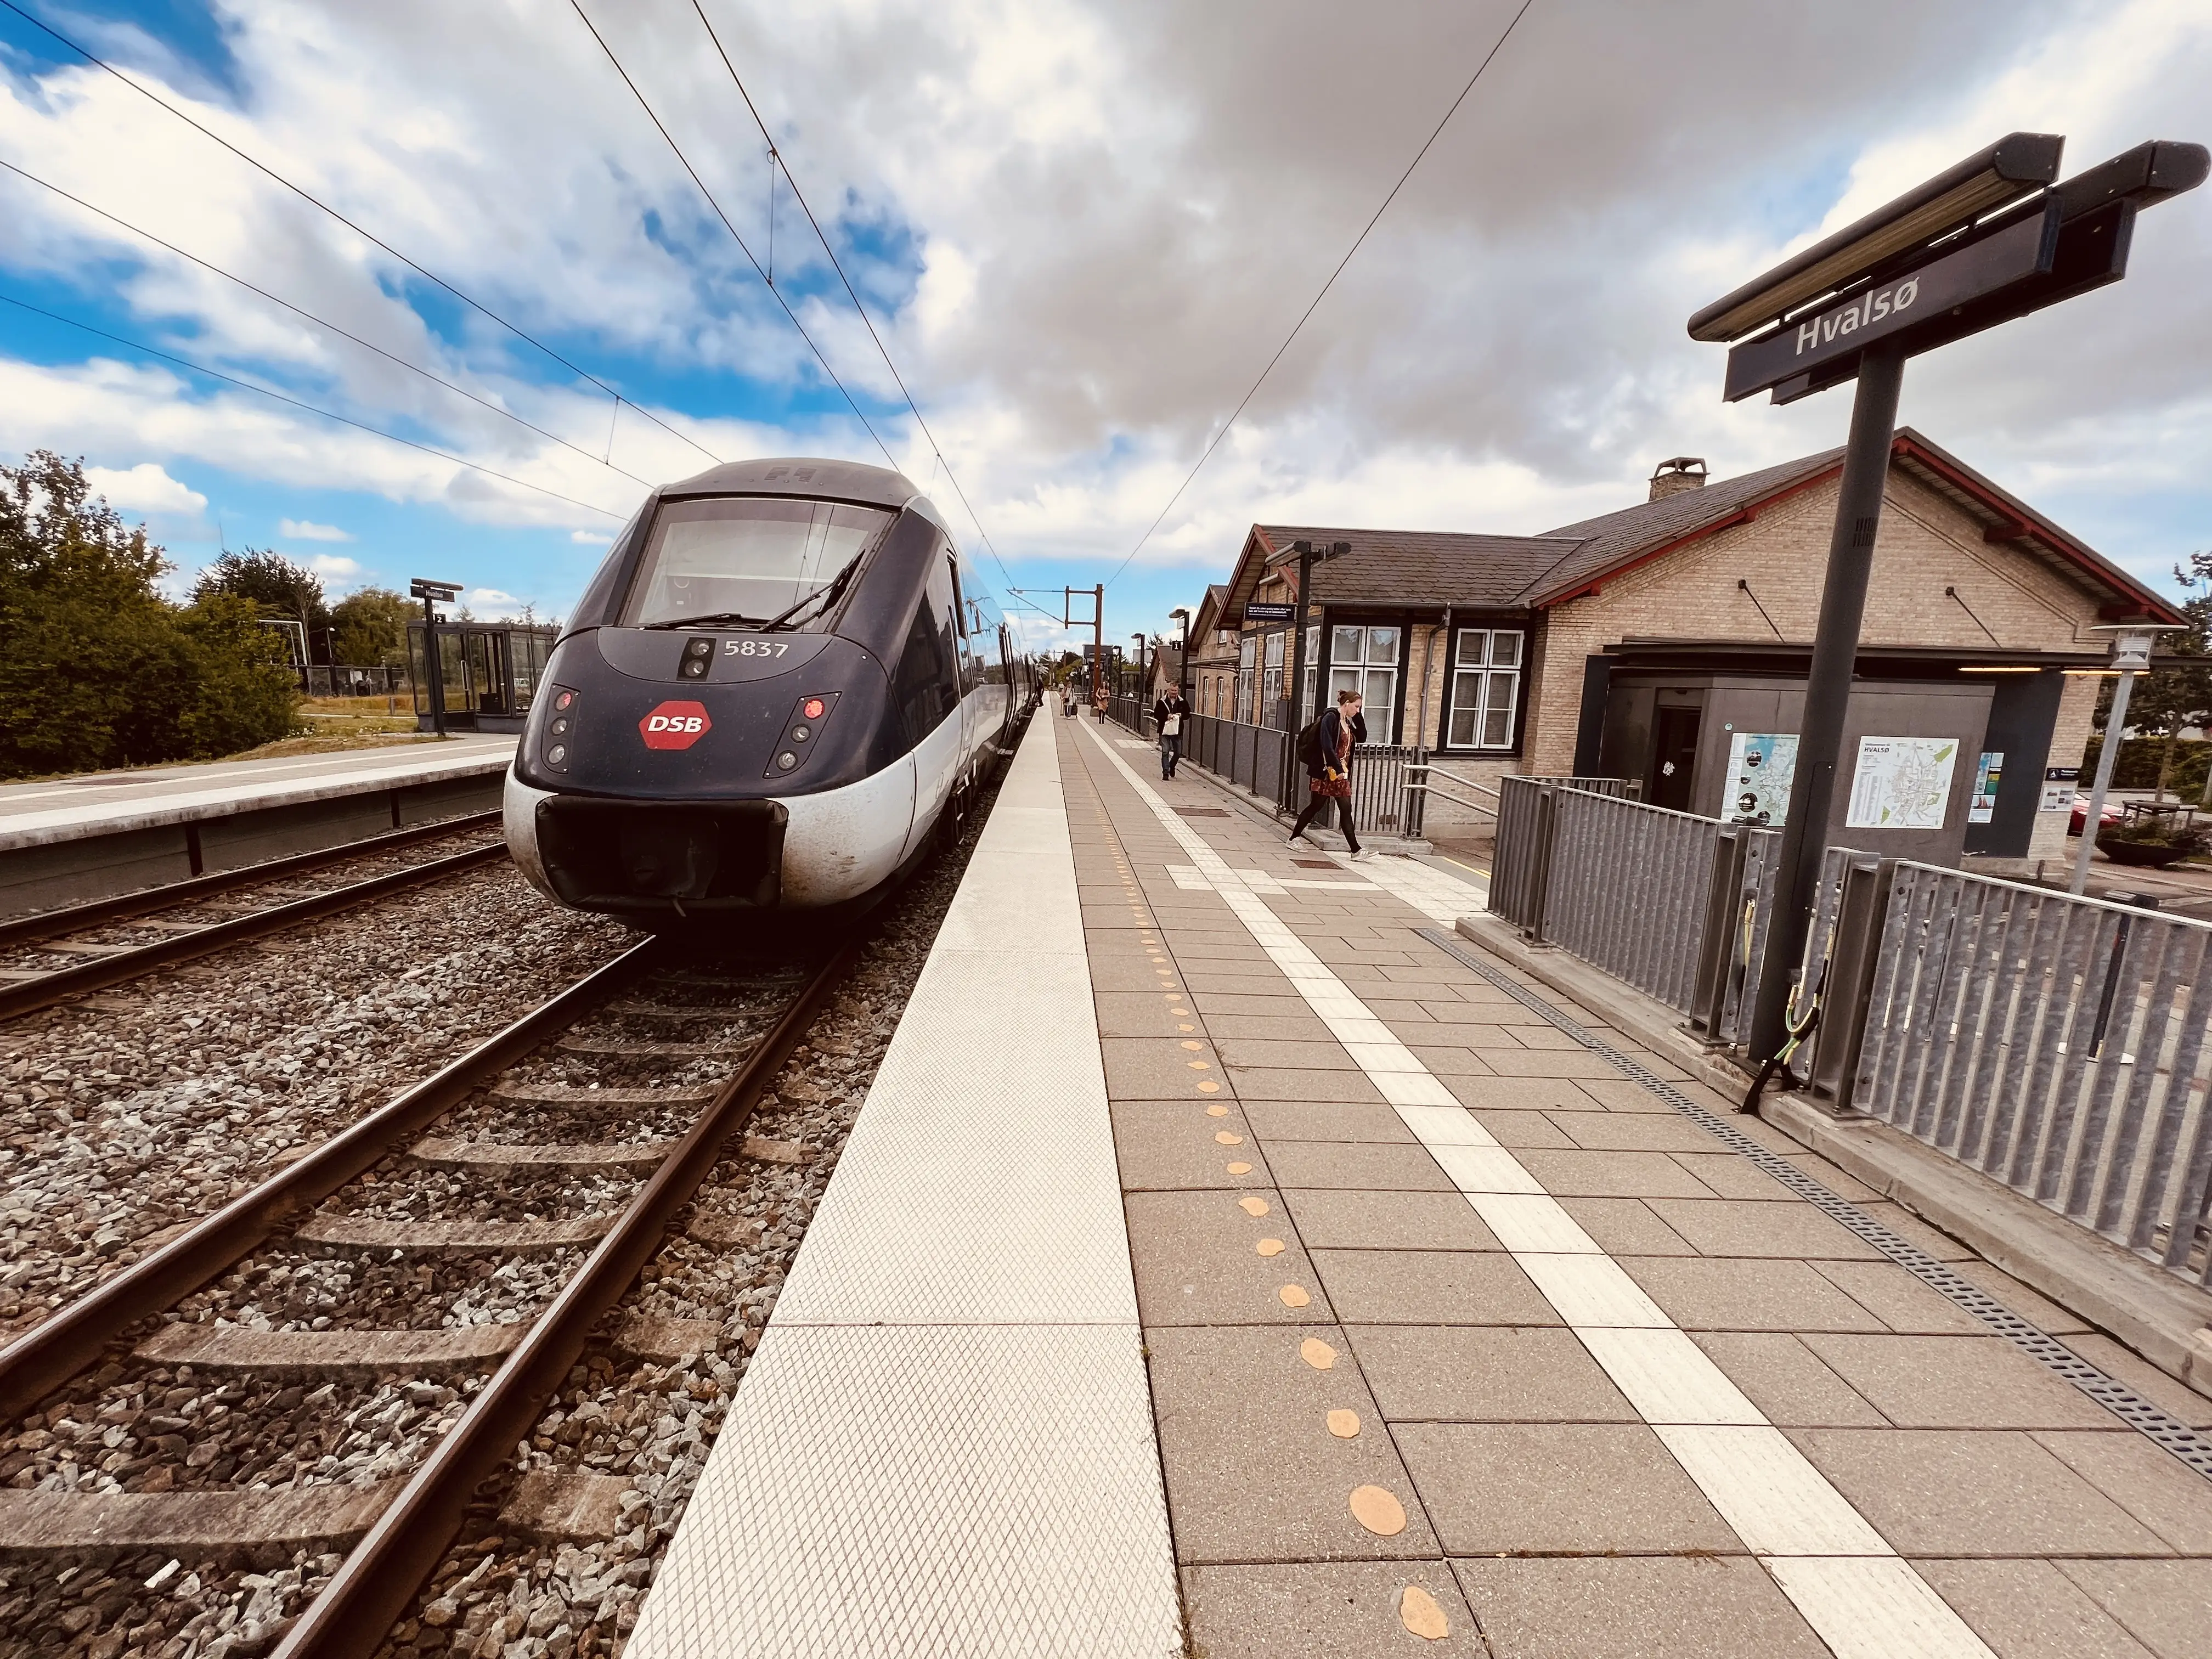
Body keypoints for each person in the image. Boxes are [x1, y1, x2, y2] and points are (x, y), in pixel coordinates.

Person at [1289, 689, 1367, 859]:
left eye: (1360, 707)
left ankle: (1356, 850)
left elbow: (1362, 737)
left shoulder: (1347, 721)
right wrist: (1337, 769)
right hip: (1327, 772)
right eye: (1356, 707)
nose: (1358, 710)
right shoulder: (1330, 718)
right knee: (1316, 806)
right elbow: (1326, 745)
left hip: (1341, 774)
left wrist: (1357, 716)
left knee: (1346, 809)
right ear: (1346, 704)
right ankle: (1293, 839)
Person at [1153, 684, 1189, 780]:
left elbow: (1188, 714)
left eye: (1176, 691)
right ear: (1168, 690)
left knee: (1177, 753)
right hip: (1164, 731)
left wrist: (1181, 715)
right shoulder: (1162, 702)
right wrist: (1166, 717)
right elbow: (1156, 714)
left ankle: (1171, 766)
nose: (1174, 693)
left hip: (1177, 731)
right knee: (1165, 751)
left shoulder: (1182, 702)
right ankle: (1166, 772)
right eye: (1172, 691)